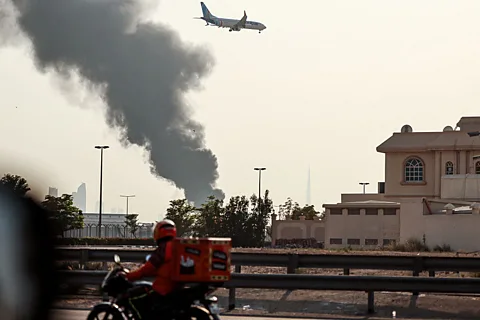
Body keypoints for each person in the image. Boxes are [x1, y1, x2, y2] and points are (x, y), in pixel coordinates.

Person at [120, 219, 180, 319]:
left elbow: (147, 269)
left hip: (163, 288)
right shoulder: (178, 246)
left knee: (131, 297)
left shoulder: (163, 249)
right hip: (175, 287)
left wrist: (129, 275)